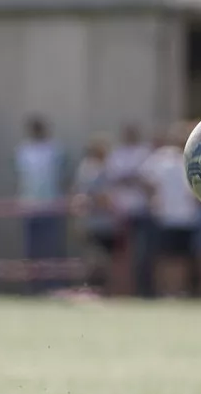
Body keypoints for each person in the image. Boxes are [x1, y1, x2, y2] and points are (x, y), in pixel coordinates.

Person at [138, 124, 201, 297]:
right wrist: (154, 195)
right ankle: (164, 290)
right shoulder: (163, 156)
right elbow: (144, 177)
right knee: (165, 257)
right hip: (166, 216)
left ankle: (180, 289)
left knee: (183, 257)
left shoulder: (197, 158)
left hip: (188, 217)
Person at [15, 115, 67, 291]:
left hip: (51, 206)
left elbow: (59, 175)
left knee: (50, 248)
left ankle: (51, 285)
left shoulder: (54, 150)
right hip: (30, 205)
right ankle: (33, 286)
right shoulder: (24, 150)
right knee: (32, 249)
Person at [104, 123, 153, 296]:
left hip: (142, 212)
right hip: (121, 213)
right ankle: (122, 291)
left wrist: (133, 180)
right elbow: (112, 180)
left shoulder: (145, 153)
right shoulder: (116, 154)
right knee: (121, 255)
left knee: (143, 253)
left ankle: (141, 290)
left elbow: (149, 181)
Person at [71, 134, 121, 293]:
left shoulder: (90, 169)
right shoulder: (93, 171)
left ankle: (99, 290)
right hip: (98, 223)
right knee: (98, 260)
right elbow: (100, 197)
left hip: (98, 223)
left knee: (101, 259)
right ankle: (95, 290)